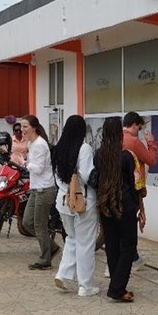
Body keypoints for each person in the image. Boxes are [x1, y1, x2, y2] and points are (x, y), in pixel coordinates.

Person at [96, 117, 144, 302]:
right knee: (129, 246)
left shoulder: (99, 155)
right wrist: (140, 207)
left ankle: (117, 285)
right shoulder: (126, 156)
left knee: (112, 245)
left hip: (105, 206)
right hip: (125, 205)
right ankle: (117, 288)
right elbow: (135, 184)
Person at [52, 115, 99, 296]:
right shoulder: (84, 148)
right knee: (85, 243)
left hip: (63, 202)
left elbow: (56, 179)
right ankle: (85, 286)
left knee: (72, 238)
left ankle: (63, 275)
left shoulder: (58, 149)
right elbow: (87, 176)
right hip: (82, 202)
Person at [20, 115, 57, 270]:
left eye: (25, 126)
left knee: (39, 225)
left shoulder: (40, 144)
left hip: (45, 189)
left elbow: (39, 168)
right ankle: (52, 247)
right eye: (21, 126)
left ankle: (45, 259)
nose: (22, 130)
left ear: (34, 127)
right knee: (27, 222)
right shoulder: (31, 143)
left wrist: (25, 164)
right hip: (36, 188)